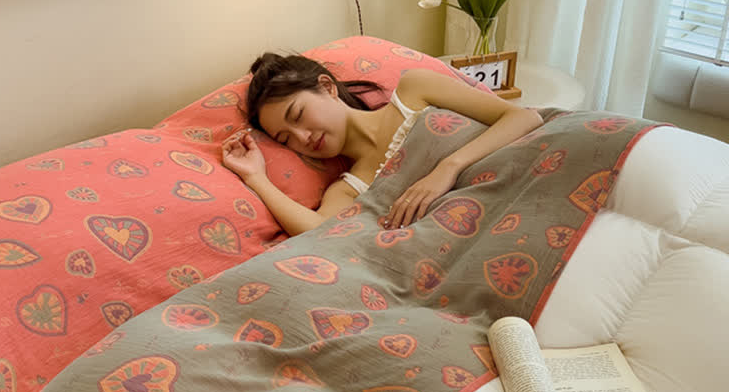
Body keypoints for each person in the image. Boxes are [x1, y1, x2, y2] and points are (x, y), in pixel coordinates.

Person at [221, 51, 543, 235]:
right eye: (286, 139)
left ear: (327, 87)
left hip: (533, 175)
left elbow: (525, 118)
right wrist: (255, 177)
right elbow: (317, 233)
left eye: (299, 114)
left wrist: (448, 168)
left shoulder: (414, 90)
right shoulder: (346, 190)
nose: (302, 137)